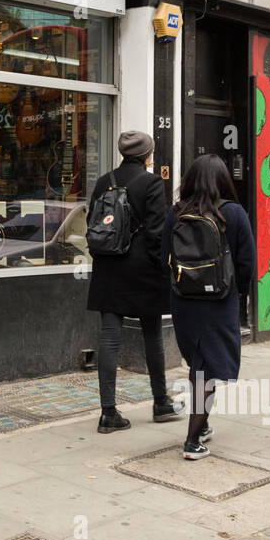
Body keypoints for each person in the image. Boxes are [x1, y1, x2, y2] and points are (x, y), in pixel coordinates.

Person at [86, 131, 183, 432]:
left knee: (110, 337)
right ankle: (161, 402)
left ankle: (108, 412)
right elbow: (157, 232)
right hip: (142, 269)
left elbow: (93, 220)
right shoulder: (152, 183)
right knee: (152, 334)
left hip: (108, 267)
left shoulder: (105, 181)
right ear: (146, 155)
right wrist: (163, 268)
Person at [162, 154, 256, 460]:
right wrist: (239, 296)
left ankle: (201, 427)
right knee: (208, 369)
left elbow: (164, 255)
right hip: (219, 300)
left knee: (199, 365)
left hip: (184, 301)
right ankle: (192, 441)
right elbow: (246, 263)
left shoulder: (175, 213)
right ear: (223, 180)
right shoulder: (234, 213)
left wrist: (179, 285)